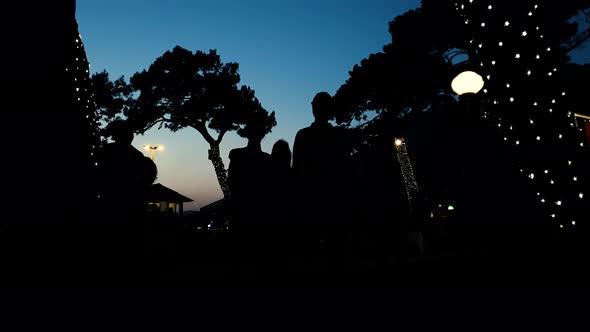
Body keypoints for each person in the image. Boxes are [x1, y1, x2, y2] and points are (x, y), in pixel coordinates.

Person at [292, 92, 354, 269]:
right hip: (333, 200)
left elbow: (296, 171)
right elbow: (347, 167)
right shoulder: (339, 136)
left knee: (313, 254)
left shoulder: (303, 135)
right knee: (335, 252)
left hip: (315, 201)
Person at [226, 120, 274, 279]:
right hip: (259, 213)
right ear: (262, 136)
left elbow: (230, 183)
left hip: (240, 211)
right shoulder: (267, 160)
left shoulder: (237, 155)